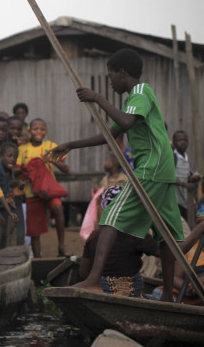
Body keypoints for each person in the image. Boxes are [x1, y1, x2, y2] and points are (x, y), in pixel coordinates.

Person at [50, 48, 183, 302]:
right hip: (162, 170)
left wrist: (98, 98)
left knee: (111, 215)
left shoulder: (141, 93)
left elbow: (126, 123)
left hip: (150, 168)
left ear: (123, 73)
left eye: (111, 76)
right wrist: (71, 144)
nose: (110, 81)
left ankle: (93, 280)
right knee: (167, 233)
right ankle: (167, 295)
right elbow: (110, 134)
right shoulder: (133, 99)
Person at [19, 118, 69, 258]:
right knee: (35, 230)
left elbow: (66, 169)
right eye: (35, 129)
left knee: (58, 208)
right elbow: (18, 170)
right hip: (31, 192)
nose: (39, 132)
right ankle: (37, 258)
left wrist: (53, 160)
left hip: (50, 190)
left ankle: (61, 246)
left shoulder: (51, 146)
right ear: (30, 131)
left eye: (42, 129)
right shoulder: (23, 149)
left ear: (46, 131)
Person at [0, 142, 20, 249]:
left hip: (2, 205)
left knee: (7, 227)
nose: (12, 159)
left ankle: (5, 247)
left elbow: (9, 188)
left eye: (15, 157)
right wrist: (5, 198)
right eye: (9, 156)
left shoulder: (10, 172)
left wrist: (11, 197)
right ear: (1, 156)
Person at [172, 130, 201, 218]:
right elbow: (170, 177)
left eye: (185, 140)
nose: (183, 142)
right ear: (174, 143)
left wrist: (191, 179)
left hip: (183, 201)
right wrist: (186, 185)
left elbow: (182, 176)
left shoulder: (186, 158)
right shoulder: (173, 157)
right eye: (179, 140)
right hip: (174, 200)